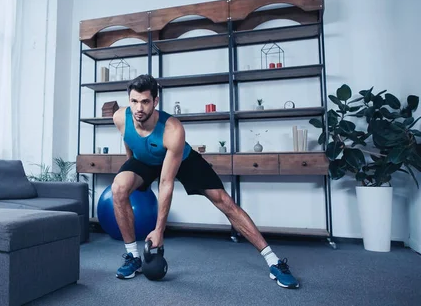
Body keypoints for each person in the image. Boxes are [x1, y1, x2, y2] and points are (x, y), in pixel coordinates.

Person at [110, 74, 300, 289]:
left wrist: (159, 230)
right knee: (118, 187)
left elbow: (166, 182)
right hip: (145, 160)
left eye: (145, 101)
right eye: (134, 101)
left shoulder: (173, 129)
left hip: (181, 159)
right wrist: (132, 172)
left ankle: (273, 261)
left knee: (224, 201)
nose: (139, 108)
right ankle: (133, 256)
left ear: (156, 101)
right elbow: (129, 140)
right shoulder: (119, 117)